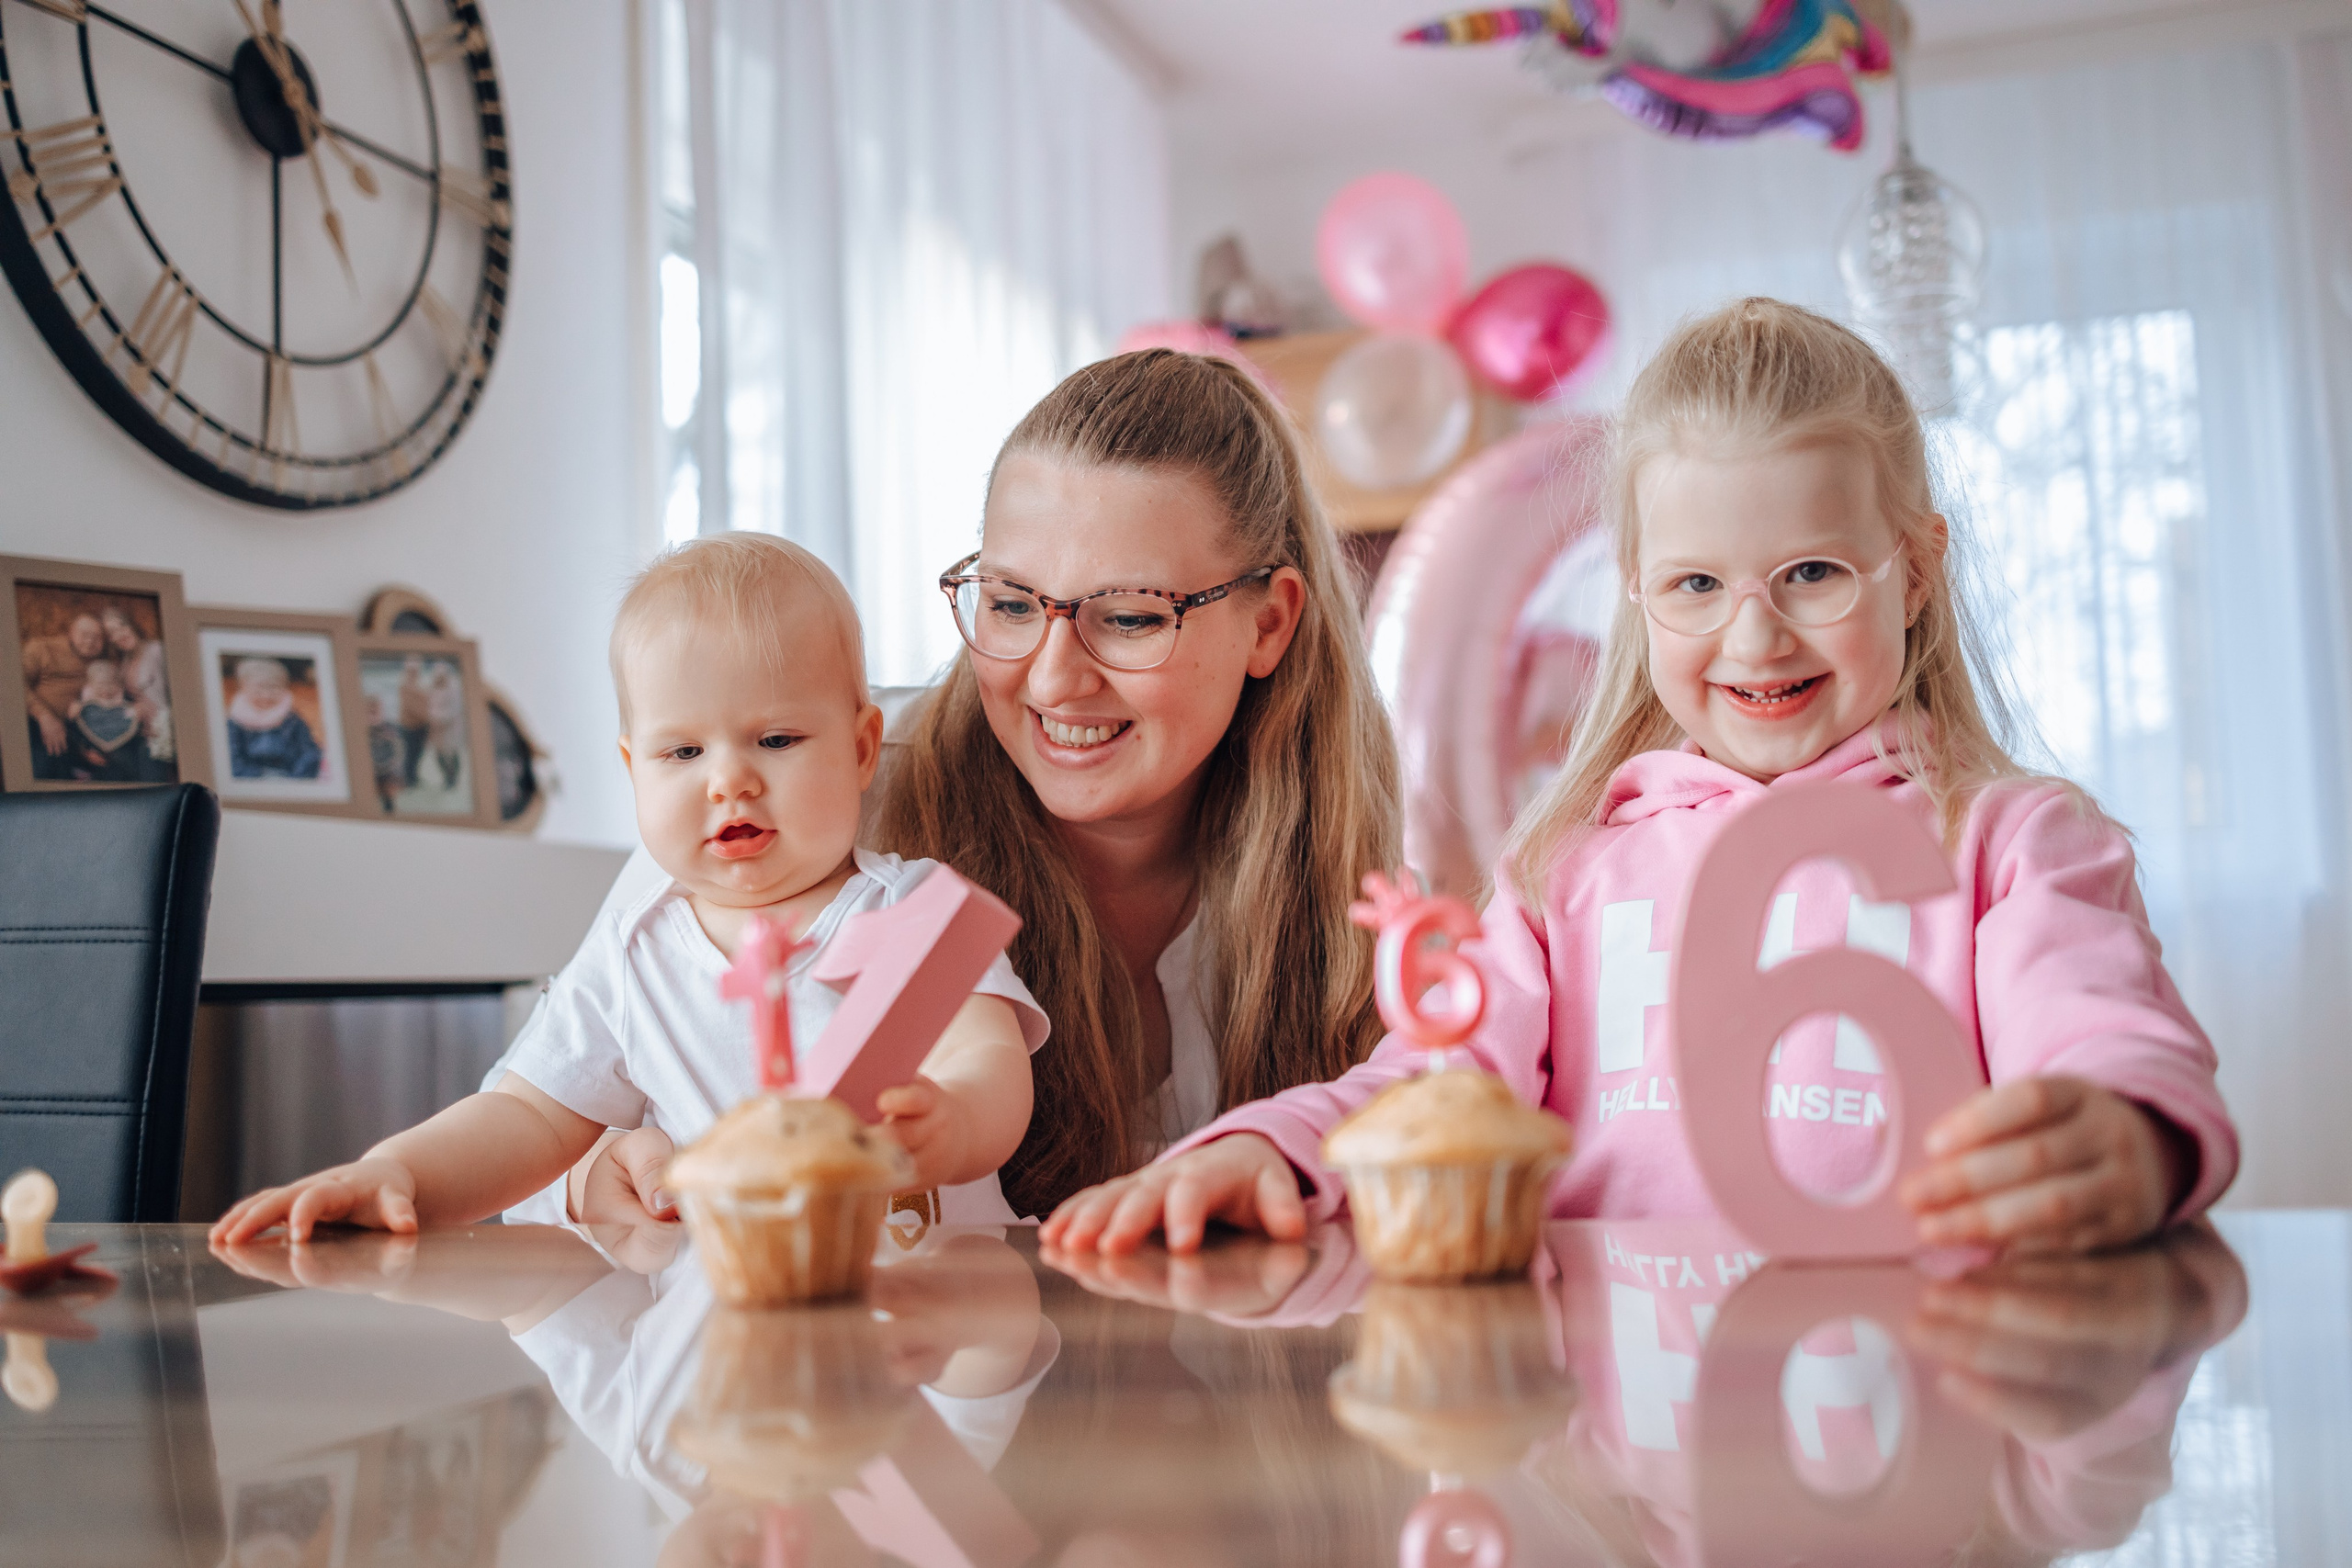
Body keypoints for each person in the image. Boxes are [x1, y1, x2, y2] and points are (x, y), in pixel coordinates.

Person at [1043, 299, 2238, 1258]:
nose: (1755, 638)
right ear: (1637, 591)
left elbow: (2104, 1031)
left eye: (1812, 572)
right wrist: (1274, 1148)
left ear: (1913, 570)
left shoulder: (2010, 841)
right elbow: (1434, 1080)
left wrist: (2128, 1134)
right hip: (1628, 1448)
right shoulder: (1567, 868)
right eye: (1697, 585)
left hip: (1918, 1436)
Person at [572, 349, 1402, 1226]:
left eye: (1127, 617)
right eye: (1010, 604)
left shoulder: (1358, 888)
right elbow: (548, 1111)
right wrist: (596, 1175)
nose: (1049, 681)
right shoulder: (810, 798)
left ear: (1268, 623)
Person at [209, 533, 1046, 1243]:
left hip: (928, 1344)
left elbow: (989, 1062)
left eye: (777, 738)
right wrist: (396, 1172)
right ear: (630, 768)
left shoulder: (910, 909)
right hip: (730, 1356)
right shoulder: (634, 946)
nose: (729, 781)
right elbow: (529, 1120)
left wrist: (955, 1120)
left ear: (864, 748)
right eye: (682, 753)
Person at [20, 611, 104, 781]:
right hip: (36, 723)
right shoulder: (42, 648)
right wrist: (44, 716)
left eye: (97, 637)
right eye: (85, 635)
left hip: (77, 734)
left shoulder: (102, 663)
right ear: (71, 632)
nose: (90, 641)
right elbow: (12, 683)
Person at [100, 605, 174, 782]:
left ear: (132, 625)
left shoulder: (157, 650)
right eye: (112, 633)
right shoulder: (125, 664)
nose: (120, 634)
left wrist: (163, 722)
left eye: (122, 626)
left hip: (163, 731)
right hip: (139, 732)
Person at [224, 657, 322, 780]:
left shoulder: (292, 719)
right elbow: (231, 758)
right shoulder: (235, 722)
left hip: (290, 777)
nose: (267, 695)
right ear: (244, 689)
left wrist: (297, 779)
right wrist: (259, 779)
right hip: (251, 781)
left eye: (274, 687)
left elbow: (310, 752)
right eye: (259, 689)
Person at [70, 659, 148, 782]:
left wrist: (138, 714)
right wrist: (85, 751)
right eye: (100, 684)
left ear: (118, 685)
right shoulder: (83, 706)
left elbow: (133, 728)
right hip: (90, 754)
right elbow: (75, 733)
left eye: (111, 684)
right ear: (90, 685)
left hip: (121, 753)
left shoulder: (126, 704)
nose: (106, 690)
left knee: (122, 761)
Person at [425, 663, 465, 792]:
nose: (439, 678)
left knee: (452, 754)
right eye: (437, 676)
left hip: (450, 729)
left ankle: (454, 779)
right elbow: (429, 706)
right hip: (436, 729)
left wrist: (440, 720)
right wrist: (432, 720)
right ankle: (447, 778)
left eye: (442, 676)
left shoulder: (454, 688)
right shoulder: (433, 688)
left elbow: (455, 710)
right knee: (438, 755)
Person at [396, 655, 430, 787]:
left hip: (421, 726)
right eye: (412, 668)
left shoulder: (420, 682)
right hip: (410, 726)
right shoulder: (405, 684)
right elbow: (412, 707)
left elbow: (427, 701)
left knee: (418, 754)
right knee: (410, 755)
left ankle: (414, 777)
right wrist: (429, 716)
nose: (415, 671)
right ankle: (408, 780)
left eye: (417, 668)